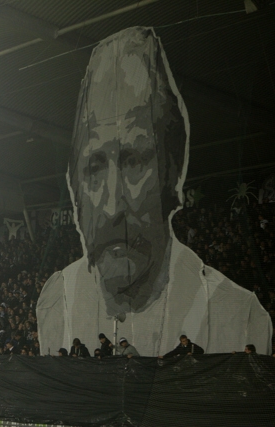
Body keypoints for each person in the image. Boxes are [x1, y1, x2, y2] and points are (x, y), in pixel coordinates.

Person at [36, 26, 273, 356]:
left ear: (173, 173)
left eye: (134, 160)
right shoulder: (56, 302)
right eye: (94, 167)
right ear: (74, 188)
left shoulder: (239, 315)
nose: (112, 205)